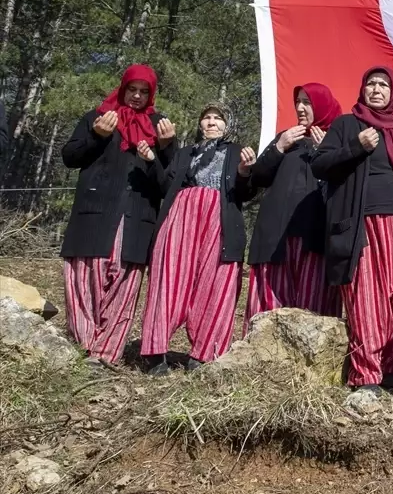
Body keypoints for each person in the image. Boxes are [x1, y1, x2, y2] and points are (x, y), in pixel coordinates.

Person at [309, 67, 393, 397]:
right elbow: (320, 165)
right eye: (370, 83)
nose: (376, 89)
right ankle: (366, 375)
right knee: (366, 298)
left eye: (383, 85)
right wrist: (355, 146)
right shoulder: (347, 125)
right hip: (363, 223)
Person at [59, 65, 177, 365]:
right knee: (85, 275)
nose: (136, 96)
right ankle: (85, 345)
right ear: (122, 88)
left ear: (151, 95)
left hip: (136, 215)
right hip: (95, 213)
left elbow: (172, 180)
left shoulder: (159, 125)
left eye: (143, 92)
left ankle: (106, 353)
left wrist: (166, 147)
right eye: (131, 90)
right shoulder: (98, 117)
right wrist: (97, 136)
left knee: (124, 282)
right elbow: (70, 157)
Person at [140, 103, 257, 374]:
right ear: (200, 124)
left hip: (220, 220)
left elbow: (247, 193)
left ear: (228, 125)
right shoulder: (185, 153)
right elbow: (166, 185)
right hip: (182, 216)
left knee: (216, 281)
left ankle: (205, 354)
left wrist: (244, 172)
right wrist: (151, 162)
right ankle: (156, 353)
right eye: (207, 118)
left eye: (218, 119)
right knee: (170, 279)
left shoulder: (238, 152)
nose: (212, 123)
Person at [244, 82, 344, 332]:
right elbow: (258, 178)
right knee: (270, 302)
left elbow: (342, 183)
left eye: (307, 102)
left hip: (315, 235)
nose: (300, 107)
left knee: (312, 305)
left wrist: (325, 152)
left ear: (321, 105)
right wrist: (279, 147)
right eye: (298, 101)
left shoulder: (338, 139)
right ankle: (261, 359)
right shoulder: (287, 138)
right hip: (277, 235)